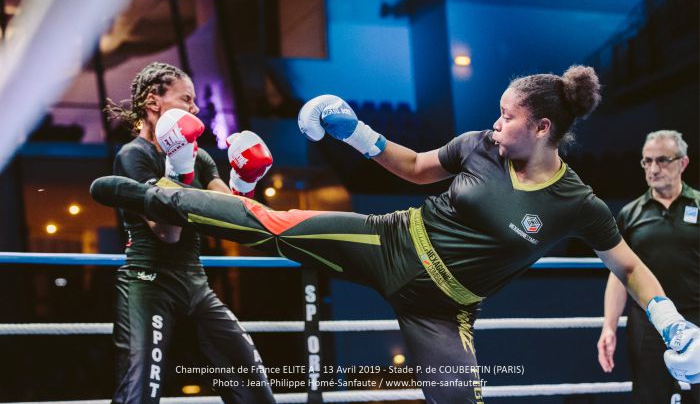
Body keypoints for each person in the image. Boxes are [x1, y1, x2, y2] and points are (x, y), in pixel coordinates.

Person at [92, 66, 700, 404]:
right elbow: (412, 166)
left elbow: (630, 266)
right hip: (391, 242)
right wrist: (353, 130)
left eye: (508, 116)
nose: (495, 123)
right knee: (275, 224)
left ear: (542, 127)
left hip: (443, 313)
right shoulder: (476, 147)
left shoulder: (578, 204)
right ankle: (150, 194)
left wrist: (672, 321)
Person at [103, 62, 275, 404]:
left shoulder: (201, 158)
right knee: (137, 395)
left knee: (254, 389)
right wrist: (179, 171)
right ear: (154, 103)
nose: (196, 109)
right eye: (186, 99)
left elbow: (233, 216)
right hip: (148, 284)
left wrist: (245, 183)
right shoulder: (133, 156)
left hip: (195, 284)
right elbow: (166, 232)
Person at [597, 130, 699, 403]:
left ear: (683, 163)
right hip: (648, 324)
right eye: (647, 161)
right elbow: (620, 274)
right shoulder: (630, 214)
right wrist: (609, 326)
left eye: (663, 160)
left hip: (697, 317)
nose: (654, 168)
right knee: (649, 396)